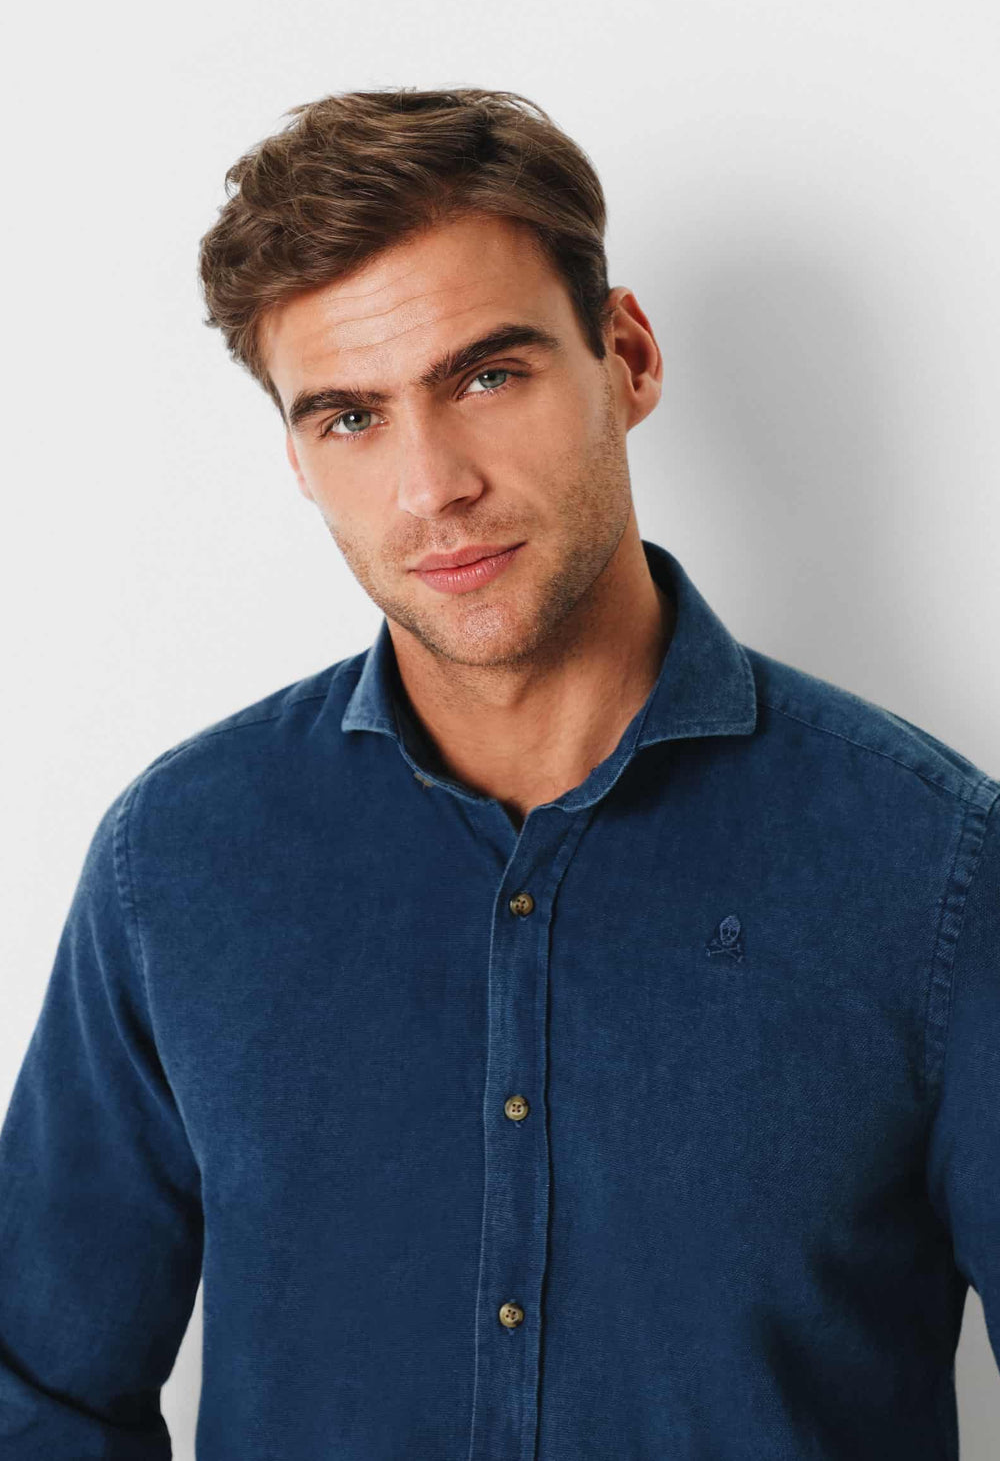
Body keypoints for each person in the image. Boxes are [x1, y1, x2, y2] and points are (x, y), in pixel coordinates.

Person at [0, 86, 997, 1461]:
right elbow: (34, 1393)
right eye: (350, 417)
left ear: (627, 357)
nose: (432, 486)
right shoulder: (178, 863)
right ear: (296, 455)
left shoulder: (932, 868)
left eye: (486, 376)